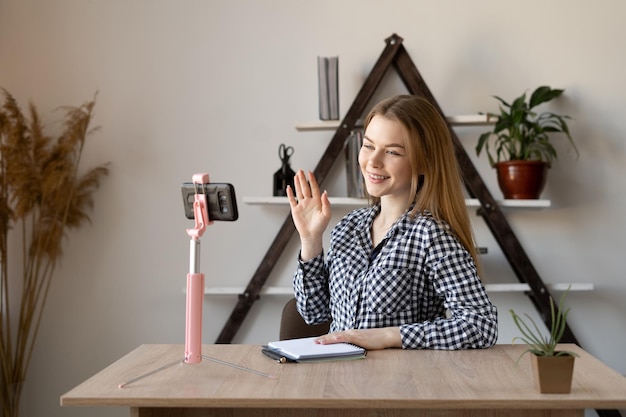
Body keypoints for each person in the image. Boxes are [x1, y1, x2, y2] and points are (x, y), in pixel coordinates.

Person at [286, 95, 498, 351]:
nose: (373, 161)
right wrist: (310, 242)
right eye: (368, 146)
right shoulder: (348, 227)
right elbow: (313, 314)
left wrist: (386, 336)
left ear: (424, 162)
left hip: (402, 383)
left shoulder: (430, 236)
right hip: (339, 377)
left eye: (392, 152)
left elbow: (480, 324)